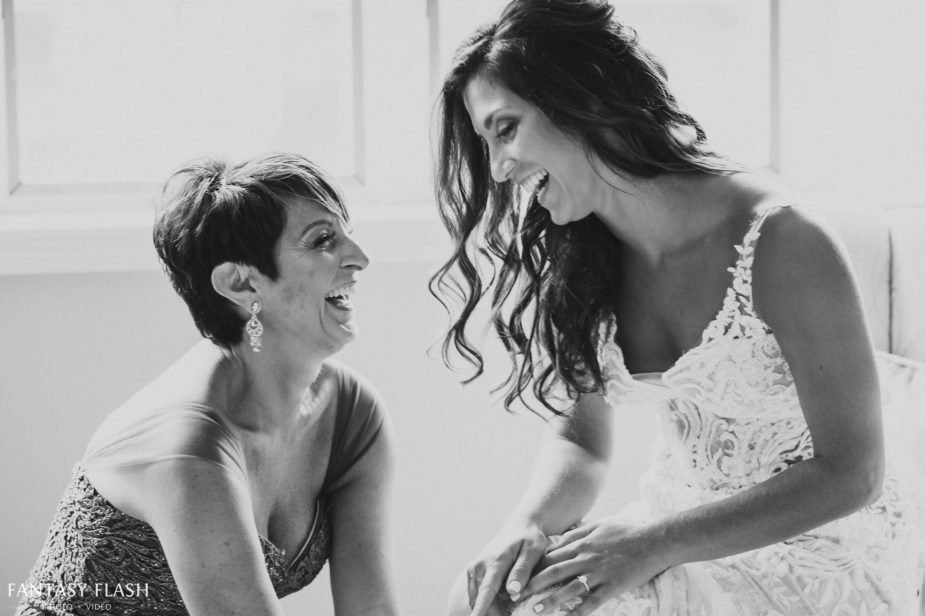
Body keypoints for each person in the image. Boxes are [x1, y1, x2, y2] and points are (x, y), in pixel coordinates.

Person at [430, 1, 923, 615]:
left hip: (817, 546)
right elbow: (583, 441)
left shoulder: (783, 242)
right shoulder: (584, 257)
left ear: (583, 98)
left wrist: (654, 544)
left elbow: (853, 472)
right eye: (486, 142)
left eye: (506, 128)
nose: (500, 170)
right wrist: (524, 526)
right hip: (669, 529)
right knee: (483, 598)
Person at [16, 153, 399, 616]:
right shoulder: (187, 449)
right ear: (241, 283)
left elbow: (372, 610)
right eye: (323, 240)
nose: (360, 258)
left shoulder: (353, 415)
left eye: (347, 234)